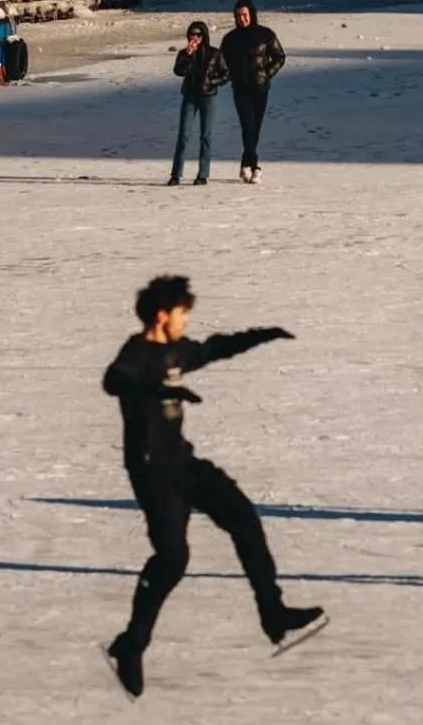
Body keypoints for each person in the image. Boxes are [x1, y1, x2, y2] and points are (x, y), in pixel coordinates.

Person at [102, 275, 325, 697]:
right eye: (183, 313)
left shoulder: (176, 349)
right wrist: (156, 388)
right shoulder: (136, 352)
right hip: (151, 473)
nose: (187, 321)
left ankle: (273, 614)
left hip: (183, 463)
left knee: (244, 520)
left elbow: (215, 348)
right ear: (162, 315)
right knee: (172, 559)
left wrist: (263, 336)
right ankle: (130, 646)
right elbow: (114, 380)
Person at [220, 0, 285, 183]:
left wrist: (267, 73)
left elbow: (279, 56)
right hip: (240, 88)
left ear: (252, 14)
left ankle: (246, 163)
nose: (242, 19)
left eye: (245, 15)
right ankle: (254, 165)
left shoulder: (265, 34)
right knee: (247, 126)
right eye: (239, 16)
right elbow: (222, 62)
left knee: (255, 127)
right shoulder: (230, 39)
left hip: (260, 87)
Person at [167, 22, 227, 187]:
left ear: (204, 36)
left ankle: (203, 174)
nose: (194, 38)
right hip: (190, 96)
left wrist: (211, 82)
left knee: (205, 135)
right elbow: (178, 71)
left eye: (198, 35)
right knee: (183, 135)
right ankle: (176, 174)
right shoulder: (184, 53)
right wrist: (187, 55)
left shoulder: (214, 54)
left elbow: (226, 74)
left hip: (207, 97)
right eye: (191, 35)